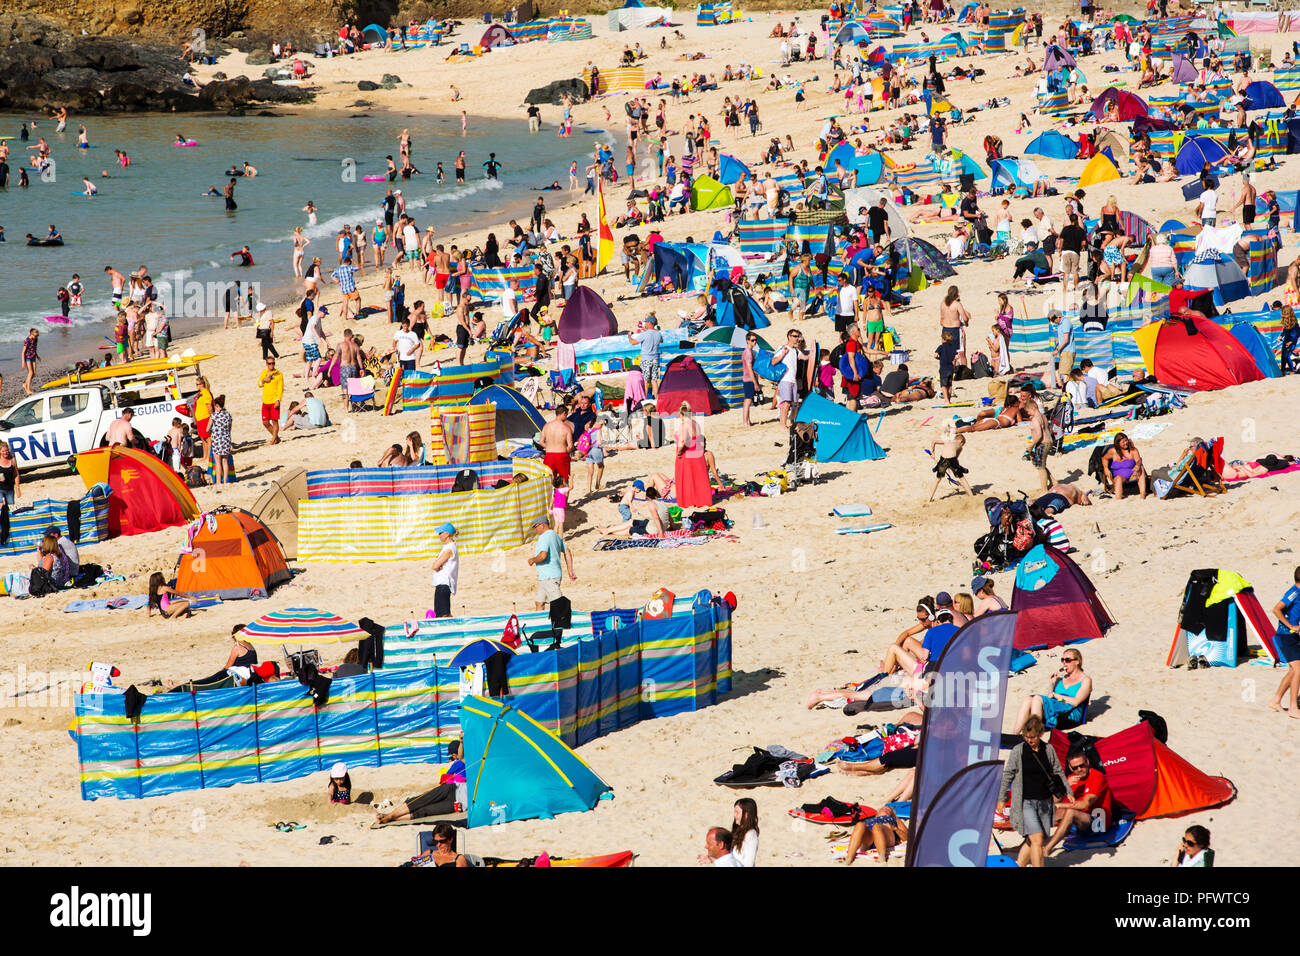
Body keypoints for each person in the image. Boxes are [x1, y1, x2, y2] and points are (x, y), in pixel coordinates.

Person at [996, 715, 1070, 867]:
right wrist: (1002, 798)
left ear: (1041, 734)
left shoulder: (1048, 749)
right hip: (1025, 801)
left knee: (1032, 839)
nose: (1029, 740)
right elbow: (1008, 774)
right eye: (1026, 737)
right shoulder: (1019, 751)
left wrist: (1068, 791)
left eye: (1032, 737)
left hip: (1044, 801)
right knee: (1037, 838)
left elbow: (1058, 771)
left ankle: (1019, 865)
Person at [1041, 744, 1113, 856]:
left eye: (1082, 765)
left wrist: (1060, 806)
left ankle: (1047, 849)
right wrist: (1064, 787)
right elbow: (1053, 802)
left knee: (1070, 812)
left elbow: (1085, 804)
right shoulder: (1072, 779)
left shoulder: (1097, 777)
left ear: (1087, 762)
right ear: (1070, 768)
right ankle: (1030, 844)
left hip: (1098, 823)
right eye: (1075, 768)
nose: (1079, 770)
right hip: (1081, 821)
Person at [1013, 648, 1091, 732]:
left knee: (1037, 698)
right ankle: (1014, 734)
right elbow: (1050, 698)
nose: (1064, 662)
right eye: (1062, 660)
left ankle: (1034, 734)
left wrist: (1056, 695)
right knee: (1028, 699)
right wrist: (1052, 683)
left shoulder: (1085, 680)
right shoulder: (1061, 678)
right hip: (1056, 710)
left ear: (1077, 661)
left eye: (1067, 660)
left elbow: (1076, 702)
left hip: (1070, 715)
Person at [1269, 566, 1300, 717]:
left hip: (1292, 636)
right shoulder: (1294, 592)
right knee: (1298, 669)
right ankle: (1293, 707)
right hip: (1285, 635)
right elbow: (1276, 609)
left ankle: (1275, 701)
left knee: (1293, 670)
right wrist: (1290, 626)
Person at [528, 516, 575, 611]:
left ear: (542, 525)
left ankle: (566, 619)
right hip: (548, 576)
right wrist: (570, 571)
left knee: (559, 603)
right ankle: (540, 619)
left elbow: (543, 556)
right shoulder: (555, 535)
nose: (536, 529)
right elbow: (567, 552)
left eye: (536, 527)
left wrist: (533, 560)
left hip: (549, 577)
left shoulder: (544, 537)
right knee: (539, 602)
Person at [674, 402, 714, 507]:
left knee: (688, 480)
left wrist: (679, 452)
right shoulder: (695, 423)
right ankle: (702, 500)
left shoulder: (684, 425)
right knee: (698, 478)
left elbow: (682, 441)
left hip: (687, 455)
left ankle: (690, 501)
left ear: (681, 414)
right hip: (697, 454)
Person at [843, 806, 909, 865]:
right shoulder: (869, 819)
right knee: (859, 824)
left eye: (888, 810)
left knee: (876, 826)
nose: (885, 809)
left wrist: (895, 829)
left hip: (886, 837)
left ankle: (882, 857)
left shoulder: (895, 820)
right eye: (882, 809)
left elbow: (907, 837)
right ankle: (849, 858)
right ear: (877, 812)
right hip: (869, 839)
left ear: (892, 815)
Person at [927, 421, 973, 500]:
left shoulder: (947, 440)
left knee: (937, 480)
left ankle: (929, 498)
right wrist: (951, 467)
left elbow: (934, 441)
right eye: (963, 444)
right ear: (961, 441)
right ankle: (971, 495)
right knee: (962, 478)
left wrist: (933, 453)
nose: (962, 445)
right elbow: (955, 458)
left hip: (942, 460)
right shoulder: (960, 446)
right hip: (952, 460)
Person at [772, 328, 808, 427]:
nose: (797, 338)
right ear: (789, 337)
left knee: (792, 404)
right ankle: (782, 425)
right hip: (785, 380)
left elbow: (805, 358)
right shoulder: (783, 348)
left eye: (798, 336)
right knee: (786, 403)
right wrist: (783, 354)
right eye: (795, 336)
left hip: (793, 380)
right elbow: (773, 361)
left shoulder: (796, 350)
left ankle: (787, 424)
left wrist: (814, 351)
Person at [1101, 432, 1148, 499]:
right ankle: (1118, 499)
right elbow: (1104, 458)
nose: (1126, 443)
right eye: (1123, 442)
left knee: (1141, 468)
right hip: (1119, 477)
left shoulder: (1133, 450)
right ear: (1118, 443)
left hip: (1133, 475)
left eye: (1126, 440)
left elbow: (1139, 460)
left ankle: (1142, 495)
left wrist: (1137, 465)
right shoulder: (1113, 451)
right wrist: (1106, 468)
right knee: (1119, 478)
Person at [628, 314, 663, 396]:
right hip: (655, 359)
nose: (645, 324)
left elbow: (633, 342)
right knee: (654, 380)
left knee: (645, 381)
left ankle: (645, 399)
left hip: (646, 360)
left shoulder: (644, 334)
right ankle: (657, 399)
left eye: (646, 322)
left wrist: (629, 336)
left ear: (649, 323)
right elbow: (661, 341)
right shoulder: (658, 334)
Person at [430, 523, 459, 619]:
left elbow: (435, 566)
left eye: (440, 533)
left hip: (444, 584)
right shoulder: (449, 547)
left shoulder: (449, 548)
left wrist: (437, 565)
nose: (439, 535)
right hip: (442, 584)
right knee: (440, 615)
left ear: (447, 534)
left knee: (444, 615)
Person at [540, 405, 573, 481]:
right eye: (566, 415)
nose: (566, 417)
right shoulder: (566, 427)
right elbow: (570, 446)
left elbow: (541, 442)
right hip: (561, 455)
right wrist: (566, 451)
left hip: (549, 455)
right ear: (564, 413)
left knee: (548, 481)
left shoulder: (546, 426)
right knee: (564, 481)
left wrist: (549, 447)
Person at [258, 356, 283, 446]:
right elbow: (259, 384)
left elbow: (280, 388)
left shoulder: (278, 374)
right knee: (265, 422)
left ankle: (273, 440)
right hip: (265, 400)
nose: (271, 365)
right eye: (269, 363)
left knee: (274, 421)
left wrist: (278, 400)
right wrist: (263, 380)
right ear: (266, 364)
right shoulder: (264, 372)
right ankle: (276, 438)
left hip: (274, 401)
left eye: (273, 363)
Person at [209, 395, 233, 485]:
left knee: (218, 462)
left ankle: (218, 482)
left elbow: (207, 429)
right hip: (226, 439)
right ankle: (225, 481)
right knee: (225, 461)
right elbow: (229, 429)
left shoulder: (214, 416)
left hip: (217, 440)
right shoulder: (228, 415)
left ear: (217, 406)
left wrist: (212, 431)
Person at [730, 798, 759, 866]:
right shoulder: (737, 831)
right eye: (734, 812)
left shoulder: (750, 835)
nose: (735, 815)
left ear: (746, 814)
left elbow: (749, 864)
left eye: (737, 812)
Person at [0, 440, 20, 509]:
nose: (5, 453)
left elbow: (16, 475)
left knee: (11, 508)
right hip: (0, 488)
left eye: (6, 451)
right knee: (1, 507)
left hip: (9, 488)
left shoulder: (12, 460)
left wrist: (17, 488)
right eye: (3, 451)